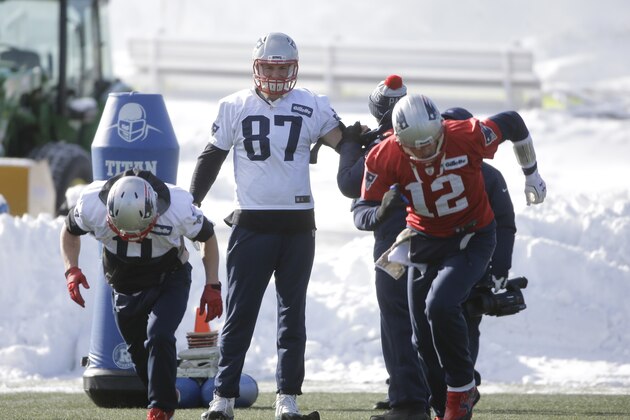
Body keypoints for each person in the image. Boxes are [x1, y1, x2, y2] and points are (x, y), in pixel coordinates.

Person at [340, 77, 517, 420]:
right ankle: (423, 400)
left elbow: (503, 223)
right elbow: (357, 197)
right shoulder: (395, 151)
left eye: (437, 142)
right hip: (414, 246)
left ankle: (460, 388)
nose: (428, 151)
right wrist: (353, 150)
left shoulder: (483, 173)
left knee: (457, 318)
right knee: (415, 327)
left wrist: (496, 271)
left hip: (464, 248)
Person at [189, 32, 345, 420]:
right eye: (269, 66)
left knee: (293, 317)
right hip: (252, 225)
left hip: (298, 227)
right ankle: (222, 399)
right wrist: (192, 205)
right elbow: (211, 158)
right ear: (257, 67)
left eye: (282, 67)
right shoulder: (234, 106)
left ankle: (287, 399)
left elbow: (348, 147)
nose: (275, 74)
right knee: (240, 314)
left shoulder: (312, 104)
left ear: (293, 69)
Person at [60, 169, 223, 420]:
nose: (132, 238)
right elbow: (69, 231)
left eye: (140, 229)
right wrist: (71, 270)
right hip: (125, 281)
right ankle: (166, 393)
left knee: (159, 335)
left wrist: (213, 284)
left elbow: (208, 237)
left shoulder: (177, 206)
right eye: (123, 230)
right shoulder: (92, 204)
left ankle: (161, 407)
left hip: (170, 276)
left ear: (155, 209)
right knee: (138, 350)